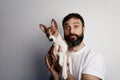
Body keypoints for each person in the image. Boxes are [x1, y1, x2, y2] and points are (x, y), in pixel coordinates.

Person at [45, 13, 105, 80]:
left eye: (76, 26)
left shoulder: (94, 57)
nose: (71, 31)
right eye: (67, 27)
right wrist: (55, 77)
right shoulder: (55, 54)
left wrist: (62, 68)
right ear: (63, 31)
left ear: (83, 29)